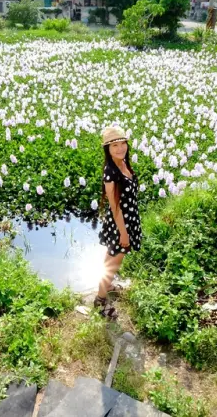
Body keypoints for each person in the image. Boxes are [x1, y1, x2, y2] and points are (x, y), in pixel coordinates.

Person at [94, 125, 142, 318]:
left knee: (110, 259)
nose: (120, 149)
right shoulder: (111, 173)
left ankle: (106, 286)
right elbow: (115, 208)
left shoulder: (123, 164)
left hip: (128, 221)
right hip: (120, 224)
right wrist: (123, 233)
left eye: (123, 144)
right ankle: (100, 300)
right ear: (108, 149)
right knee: (114, 261)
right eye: (115, 146)